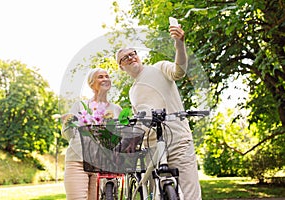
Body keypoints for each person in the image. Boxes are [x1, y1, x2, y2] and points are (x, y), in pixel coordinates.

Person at [116, 25, 202, 199]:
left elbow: (179, 71)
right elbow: (141, 121)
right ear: (121, 67)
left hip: (178, 139)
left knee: (190, 192)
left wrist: (179, 44)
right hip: (153, 147)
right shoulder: (133, 92)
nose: (131, 58)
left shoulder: (160, 67)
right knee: (158, 191)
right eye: (125, 58)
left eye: (132, 53)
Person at [61, 68, 122, 200]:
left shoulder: (116, 109)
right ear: (91, 84)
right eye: (100, 77)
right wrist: (67, 123)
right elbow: (68, 135)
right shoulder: (80, 106)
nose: (105, 79)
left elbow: (119, 139)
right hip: (78, 162)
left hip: (100, 165)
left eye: (107, 76)